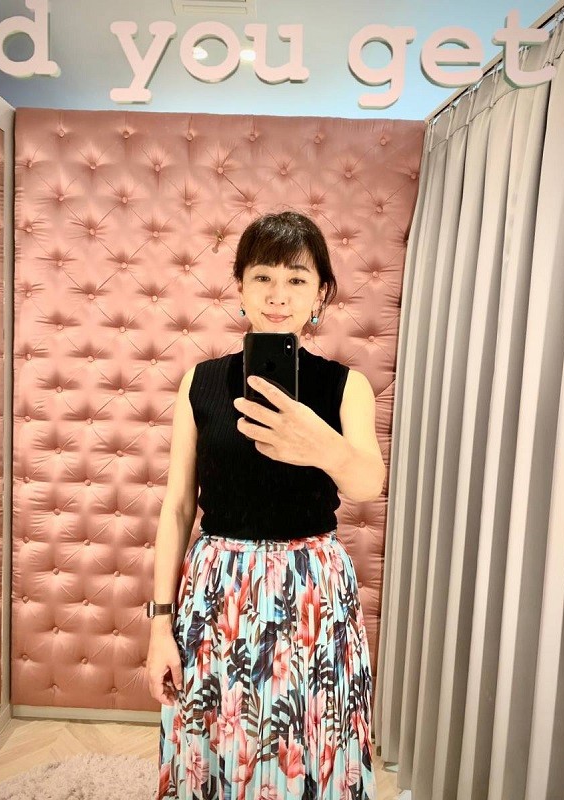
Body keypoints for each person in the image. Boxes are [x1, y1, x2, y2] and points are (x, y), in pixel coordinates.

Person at [146, 211, 385, 799]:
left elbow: (367, 484)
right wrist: (158, 624)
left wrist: (319, 443)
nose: (279, 295)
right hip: (216, 591)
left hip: (312, 594)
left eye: (297, 279)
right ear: (241, 287)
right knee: (214, 741)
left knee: (311, 741)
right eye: (263, 277)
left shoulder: (345, 387)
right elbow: (177, 507)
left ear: (320, 293)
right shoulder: (201, 383)